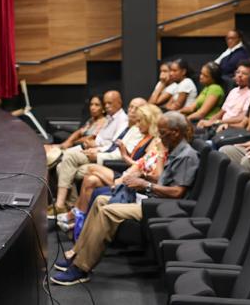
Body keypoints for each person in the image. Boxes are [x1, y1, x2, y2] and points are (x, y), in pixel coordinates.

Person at [50, 112, 200, 286]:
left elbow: (177, 192)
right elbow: (164, 181)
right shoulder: (174, 150)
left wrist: (145, 185)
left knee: (108, 212)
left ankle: (81, 268)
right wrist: (143, 177)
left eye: (162, 132)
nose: (159, 135)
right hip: (151, 198)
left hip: (160, 206)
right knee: (100, 201)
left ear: (175, 132)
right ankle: (77, 253)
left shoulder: (187, 156)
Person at [58, 103, 164, 234]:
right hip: (128, 173)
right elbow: (138, 164)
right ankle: (79, 219)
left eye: (140, 121)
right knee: (91, 179)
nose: (137, 124)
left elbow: (144, 168)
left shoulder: (156, 143)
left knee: (91, 169)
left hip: (132, 179)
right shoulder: (145, 137)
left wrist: (124, 155)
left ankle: (73, 214)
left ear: (149, 121)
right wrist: (125, 155)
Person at [53, 91, 128, 214]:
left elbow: (115, 145)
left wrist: (97, 148)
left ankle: (60, 205)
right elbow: (100, 137)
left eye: (110, 103)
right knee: (62, 166)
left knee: (68, 158)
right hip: (96, 149)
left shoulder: (122, 120)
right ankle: (71, 207)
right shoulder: (110, 118)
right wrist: (93, 143)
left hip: (103, 156)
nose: (107, 106)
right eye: (105, 103)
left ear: (119, 102)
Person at [44, 94, 108, 169]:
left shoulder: (104, 122)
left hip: (85, 150)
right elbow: (79, 132)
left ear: (103, 108)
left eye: (97, 105)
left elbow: (91, 138)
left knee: (51, 153)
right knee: (46, 147)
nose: (92, 107)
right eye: (91, 104)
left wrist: (72, 143)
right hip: (76, 146)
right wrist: (65, 144)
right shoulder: (91, 120)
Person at [196, 60, 250, 131]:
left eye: (244, 73)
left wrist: (218, 122)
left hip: (233, 127)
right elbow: (222, 112)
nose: (239, 75)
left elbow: (243, 116)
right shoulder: (233, 91)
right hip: (221, 124)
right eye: (238, 72)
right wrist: (210, 122)